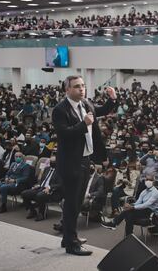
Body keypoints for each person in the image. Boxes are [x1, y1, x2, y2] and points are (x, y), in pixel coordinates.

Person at [52, 75, 117, 256]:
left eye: (83, 86)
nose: (82, 89)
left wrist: (112, 99)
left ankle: (68, 237)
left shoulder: (86, 104)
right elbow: (64, 134)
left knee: (78, 202)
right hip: (70, 162)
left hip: (84, 160)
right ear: (67, 90)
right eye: (77, 87)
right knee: (72, 203)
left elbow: (101, 110)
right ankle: (72, 243)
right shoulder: (60, 110)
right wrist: (84, 124)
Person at [21, 155, 61, 221]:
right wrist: (39, 185)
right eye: (50, 161)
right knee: (24, 193)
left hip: (52, 191)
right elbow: (43, 180)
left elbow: (60, 184)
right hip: (41, 188)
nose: (51, 162)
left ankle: (41, 214)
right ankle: (32, 210)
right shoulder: (47, 169)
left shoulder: (60, 171)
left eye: (53, 161)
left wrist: (49, 187)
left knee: (40, 195)